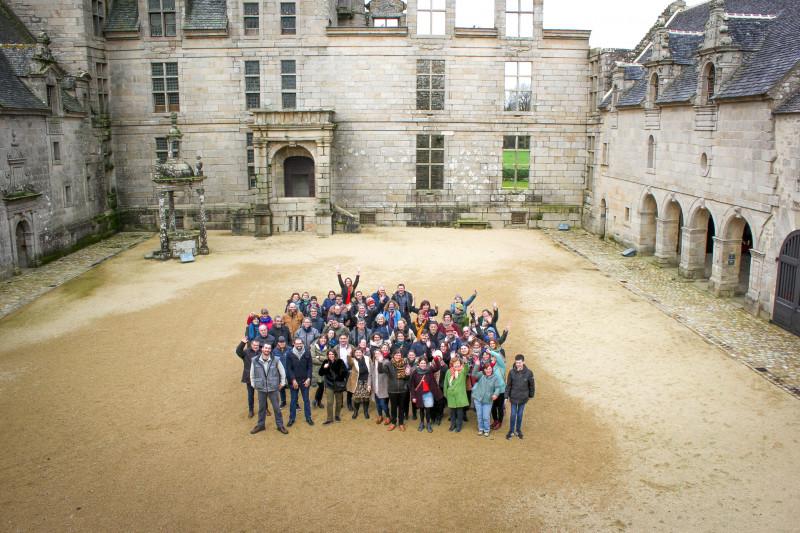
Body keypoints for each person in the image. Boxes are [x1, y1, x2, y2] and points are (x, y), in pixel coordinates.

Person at [249, 344, 288, 435]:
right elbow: (252, 374)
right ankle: (261, 425)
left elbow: (282, 372)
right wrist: (253, 384)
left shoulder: (276, 360)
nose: (267, 350)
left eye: (269, 348)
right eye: (265, 348)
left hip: (273, 388)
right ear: (262, 349)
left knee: (276, 408)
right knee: (261, 408)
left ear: (271, 350)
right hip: (261, 388)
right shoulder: (255, 360)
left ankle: (280, 425)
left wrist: (282, 383)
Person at [470, 357, 504, 437]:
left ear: (491, 369)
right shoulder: (481, 375)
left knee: (486, 416)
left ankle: (486, 429)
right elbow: (474, 374)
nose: (488, 370)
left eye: (489, 369)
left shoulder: (495, 377)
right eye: (486, 369)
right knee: (479, 415)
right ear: (484, 370)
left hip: (487, 401)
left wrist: (495, 394)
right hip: (478, 399)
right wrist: (477, 365)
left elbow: (498, 388)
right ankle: (481, 429)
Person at [409, 356, 443, 433]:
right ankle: (421, 423)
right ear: (419, 364)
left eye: (424, 363)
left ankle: (428, 424)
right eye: (421, 363)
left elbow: (438, 367)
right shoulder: (415, 372)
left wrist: (436, 358)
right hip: (419, 394)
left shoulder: (429, 370)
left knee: (428, 410)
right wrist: (413, 396)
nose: (423, 364)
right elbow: (412, 386)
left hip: (428, 394)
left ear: (426, 364)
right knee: (421, 410)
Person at [505, 354, 535, 440]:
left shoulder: (529, 373)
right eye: (517, 362)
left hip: (523, 398)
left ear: (523, 362)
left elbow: (531, 385)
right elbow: (508, 385)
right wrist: (506, 396)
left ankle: (518, 430)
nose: (518, 364)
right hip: (513, 397)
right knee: (513, 414)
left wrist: (531, 395)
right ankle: (511, 431)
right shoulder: (511, 372)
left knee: (520, 414)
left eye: (519, 362)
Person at [379, 350, 410, 431]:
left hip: (402, 390)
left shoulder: (405, 364)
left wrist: (407, 375)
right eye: (396, 355)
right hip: (392, 390)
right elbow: (380, 371)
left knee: (401, 408)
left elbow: (407, 378)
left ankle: (401, 423)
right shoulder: (388, 364)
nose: (398, 357)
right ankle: (393, 423)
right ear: (393, 356)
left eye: (399, 355)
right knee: (393, 407)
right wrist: (380, 361)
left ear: (401, 356)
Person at [286, 338, 314, 427]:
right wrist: (293, 380)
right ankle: (291, 418)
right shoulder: (289, 354)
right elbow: (289, 369)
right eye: (297, 343)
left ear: (302, 344)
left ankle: (308, 417)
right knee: (293, 400)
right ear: (293, 344)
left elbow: (310, 367)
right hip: (294, 382)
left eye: (300, 343)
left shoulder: (307, 352)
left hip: (305, 381)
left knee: (306, 400)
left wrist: (309, 378)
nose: (299, 345)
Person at [318, 350, 348, 425]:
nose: (331, 355)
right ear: (328, 355)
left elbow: (345, 372)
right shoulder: (325, 362)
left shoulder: (340, 361)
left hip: (338, 385)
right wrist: (324, 368)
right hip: (329, 385)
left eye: (332, 354)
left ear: (335, 354)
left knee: (338, 402)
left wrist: (340, 375)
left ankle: (337, 415)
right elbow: (320, 373)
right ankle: (329, 419)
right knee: (329, 402)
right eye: (329, 354)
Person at [235, 336, 262, 418]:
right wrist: (242, 343)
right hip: (249, 378)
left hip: (260, 377)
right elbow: (238, 351)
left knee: (262, 395)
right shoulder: (246, 352)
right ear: (251, 345)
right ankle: (251, 410)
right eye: (254, 345)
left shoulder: (262, 352)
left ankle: (265, 408)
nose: (255, 347)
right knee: (251, 395)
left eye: (257, 345)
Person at [443, 356, 469, 432]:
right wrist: (445, 393)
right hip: (451, 394)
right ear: (452, 364)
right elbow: (445, 383)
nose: (456, 364)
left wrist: (466, 362)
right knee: (452, 412)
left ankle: (459, 426)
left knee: (459, 412)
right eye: (455, 363)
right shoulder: (448, 371)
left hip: (460, 395)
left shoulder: (463, 371)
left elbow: (467, 368)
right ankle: (452, 425)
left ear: (460, 364)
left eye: (458, 363)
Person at [347, 348, 371, 419]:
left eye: (359, 352)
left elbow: (371, 368)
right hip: (357, 381)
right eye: (356, 352)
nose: (358, 354)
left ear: (362, 353)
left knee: (366, 398)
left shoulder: (367, 358)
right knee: (357, 398)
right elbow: (349, 362)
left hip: (367, 381)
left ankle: (366, 412)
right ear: (354, 354)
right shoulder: (353, 360)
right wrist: (348, 355)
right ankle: (356, 412)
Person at [371, 348, 390, 425]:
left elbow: (385, 371)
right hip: (375, 386)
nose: (377, 355)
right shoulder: (372, 363)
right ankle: (380, 416)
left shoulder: (386, 362)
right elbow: (370, 374)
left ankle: (388, 416)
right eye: (376, 353)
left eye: (379, 353)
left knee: (383, 403)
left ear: (382, 354)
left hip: (383, 386)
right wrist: (369, 384)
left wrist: (380, 362)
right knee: (377, 403)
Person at [272, 336, 292, 407]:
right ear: (278, 343)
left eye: (283, 342)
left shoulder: (290, 349)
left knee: (292, 388)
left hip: (289, 372)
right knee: (281, 388)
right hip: (280, 373)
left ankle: (295, 402)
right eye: (280, 342)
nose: (282, 343)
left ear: (285, 342)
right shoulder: (274, 351)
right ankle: (283, 401)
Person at [311, 334, 329, 408]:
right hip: (315, 370)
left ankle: (318, 401)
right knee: (320, 386)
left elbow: (328, 358)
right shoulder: (313, 346)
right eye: (322, 338)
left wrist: (319, 357)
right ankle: (316, 400)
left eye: (325, 338)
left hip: (324, 370)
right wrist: (323, 361)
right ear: (319, 339)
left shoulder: (328, 347)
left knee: (322, 386)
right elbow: (313, 359)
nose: (323, 340)